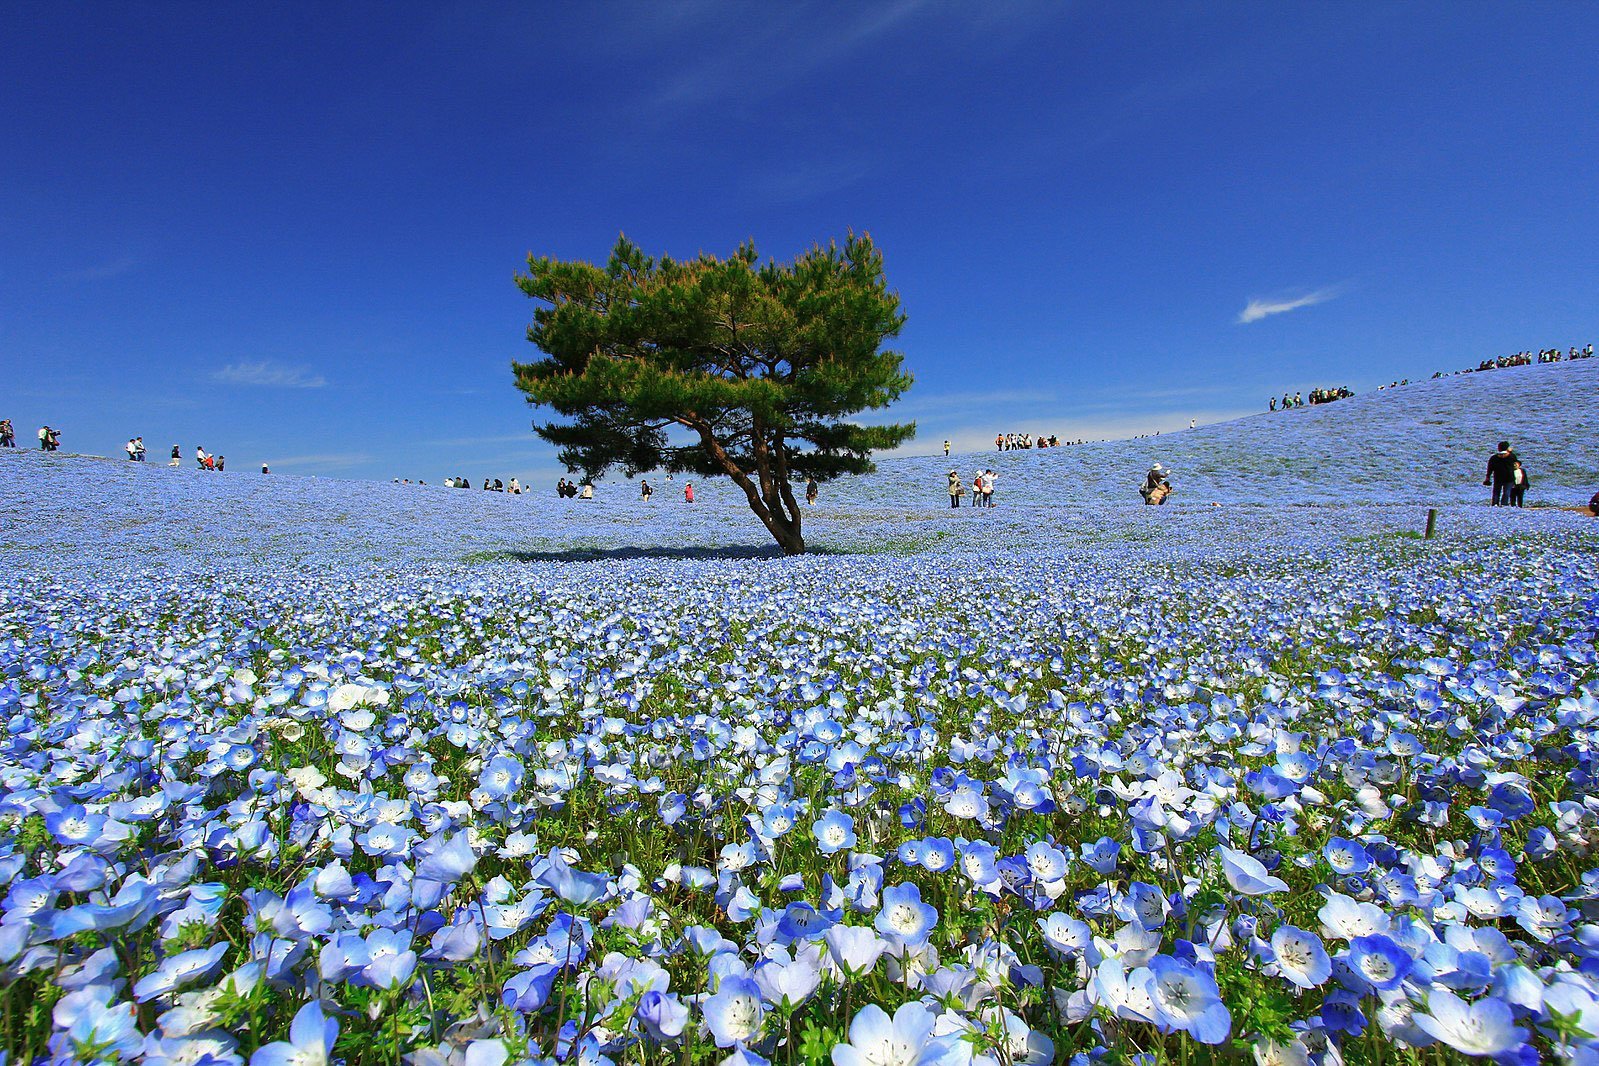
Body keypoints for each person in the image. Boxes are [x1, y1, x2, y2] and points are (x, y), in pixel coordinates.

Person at [1484, 441, 1518, 506]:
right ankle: (1504, 505)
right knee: (1506, 493)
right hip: (1509, 478)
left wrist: (1488, 477)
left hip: (1498, 477)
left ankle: (1495, 504)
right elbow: (1516, 462)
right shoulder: (1511, 456)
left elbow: (1490, 469)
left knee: (1496, 493)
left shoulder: (1494, 458)